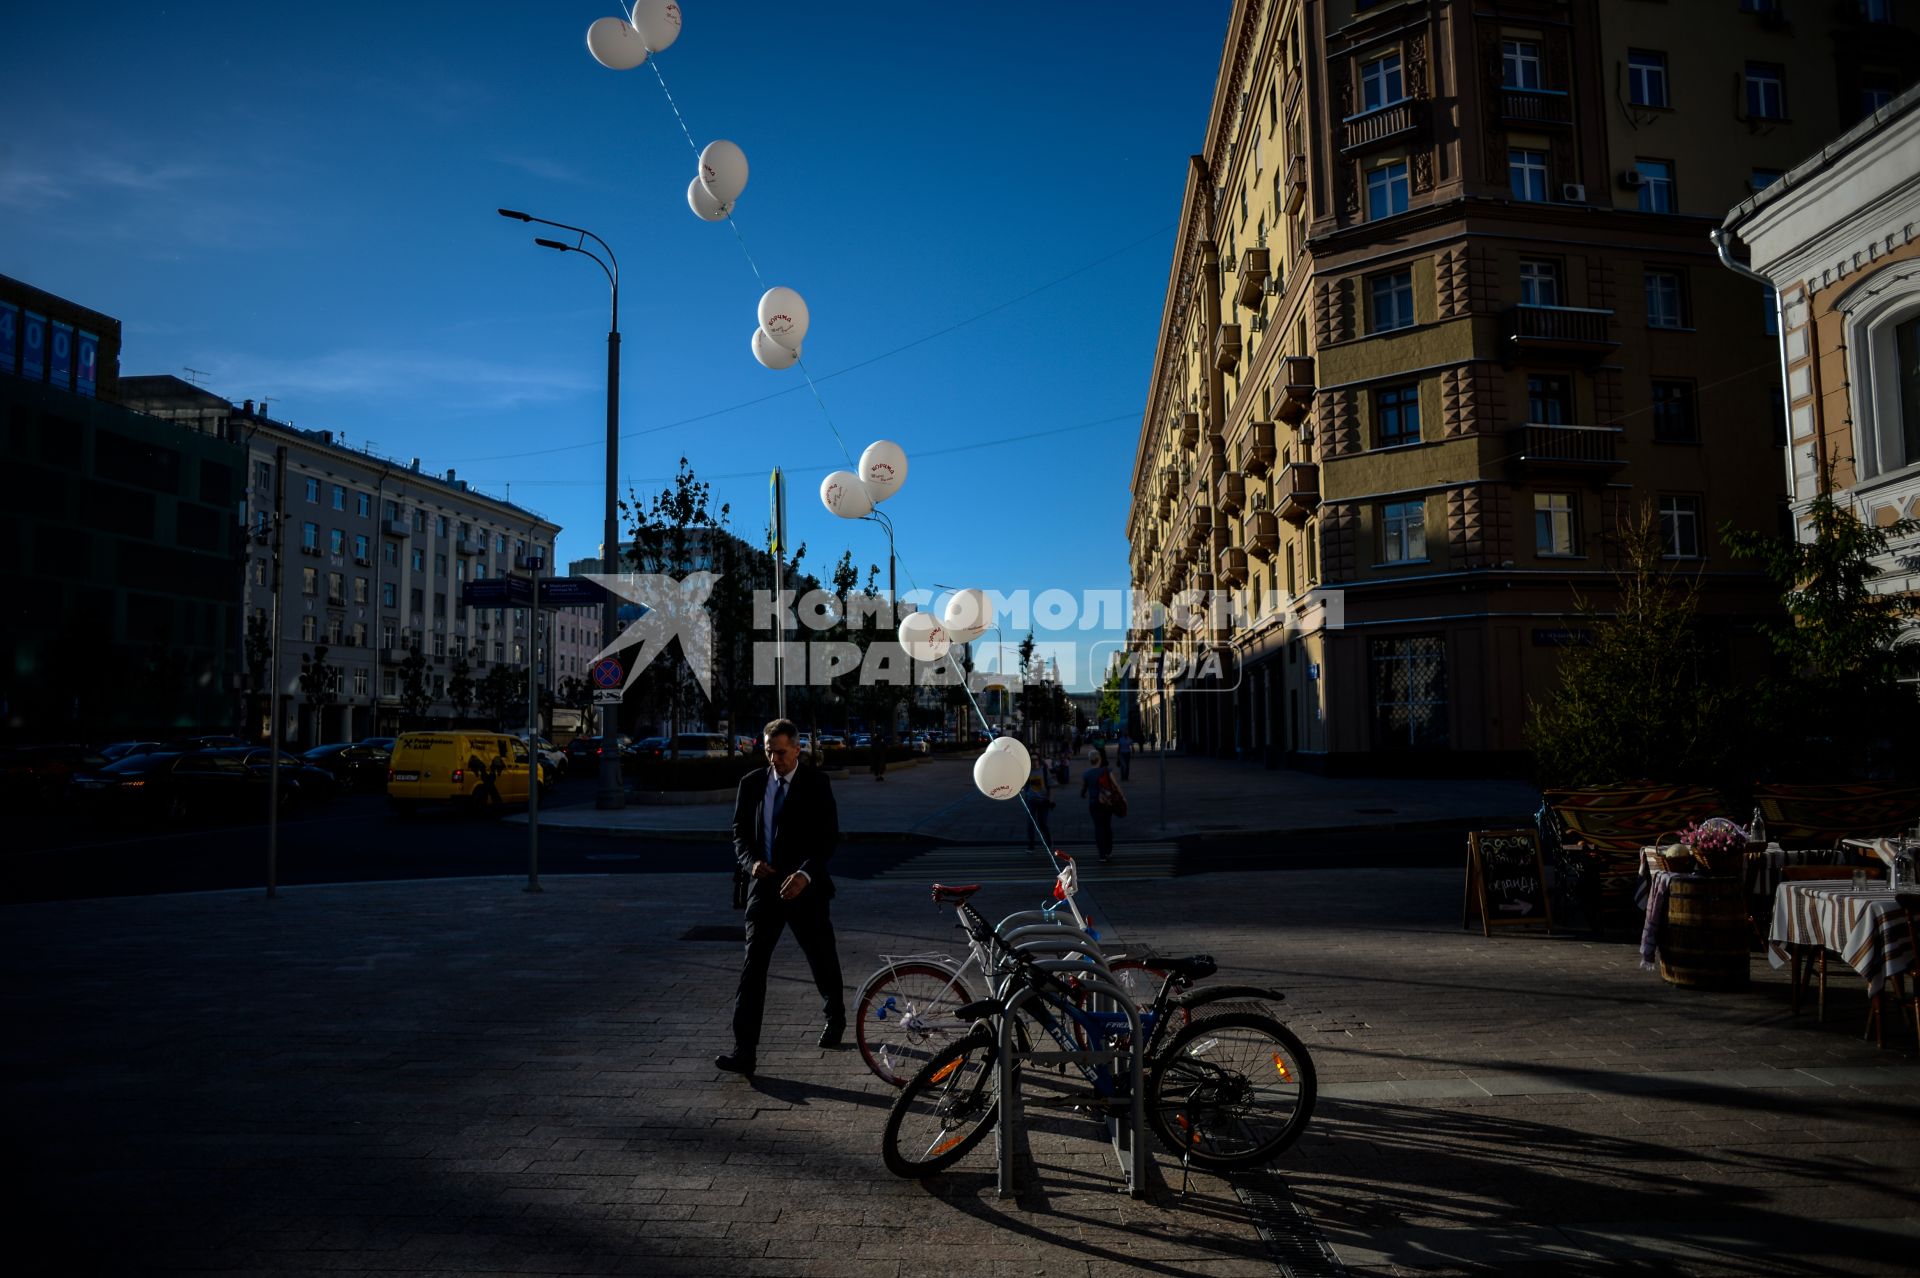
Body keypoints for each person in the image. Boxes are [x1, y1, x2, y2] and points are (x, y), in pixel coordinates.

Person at [717, 718, 845, 1076]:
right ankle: (745, 1051)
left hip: (806, 888)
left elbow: (828, 837)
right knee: (752, 968)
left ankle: (835, 1015)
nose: (775, 759)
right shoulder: (752, 783)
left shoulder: (816, 784)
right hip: (765, 888)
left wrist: (805, 874)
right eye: (769, 752)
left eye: (781, 752)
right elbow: (740, 832)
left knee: (821, 958)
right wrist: (750, 862)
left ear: (798, 749)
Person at [1081, 747, 1118, 863]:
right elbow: (1115, 785)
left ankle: (1102, 855)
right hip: (1107, 803)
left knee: (1099, 828)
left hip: (1094, 803)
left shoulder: (1086, 774)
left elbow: (1084, 789)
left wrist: (1083, 794)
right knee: (1107, 826)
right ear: (1100, 759)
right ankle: (1109, 851)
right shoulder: (1107, 771)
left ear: (1090, 760)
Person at [1022, 764, 1054, 851]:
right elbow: (1023, 785)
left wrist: (1051, 798)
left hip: (1043, 800)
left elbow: (1050, 784)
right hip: (1031, 800)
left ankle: (1049, 842)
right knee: (1030, 823)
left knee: (1042, 823)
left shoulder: (1043, 770)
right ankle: (1031, 845)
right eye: (1032, 760)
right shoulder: (1027, 771)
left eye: (1036, 759)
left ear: (1039, 760)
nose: (1034, 761)